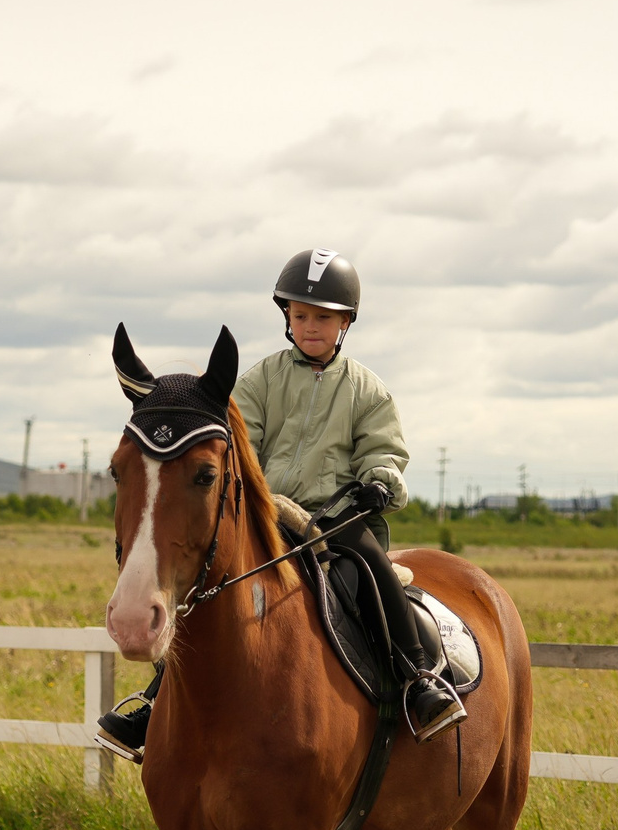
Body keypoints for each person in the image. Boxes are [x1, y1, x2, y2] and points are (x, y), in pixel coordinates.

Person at [96, 248, 467, 759]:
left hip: (341, 518)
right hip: (273, 515)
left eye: (323, 317)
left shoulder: (366, 390)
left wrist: (379, 479)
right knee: (206, 594)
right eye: (301, 316)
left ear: (345, 323)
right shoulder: (261, 380)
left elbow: (385, 448)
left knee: (374, 575)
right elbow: (238, 443)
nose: (311, 326)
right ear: (287, 320)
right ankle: (157, 700)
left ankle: (418, 680)